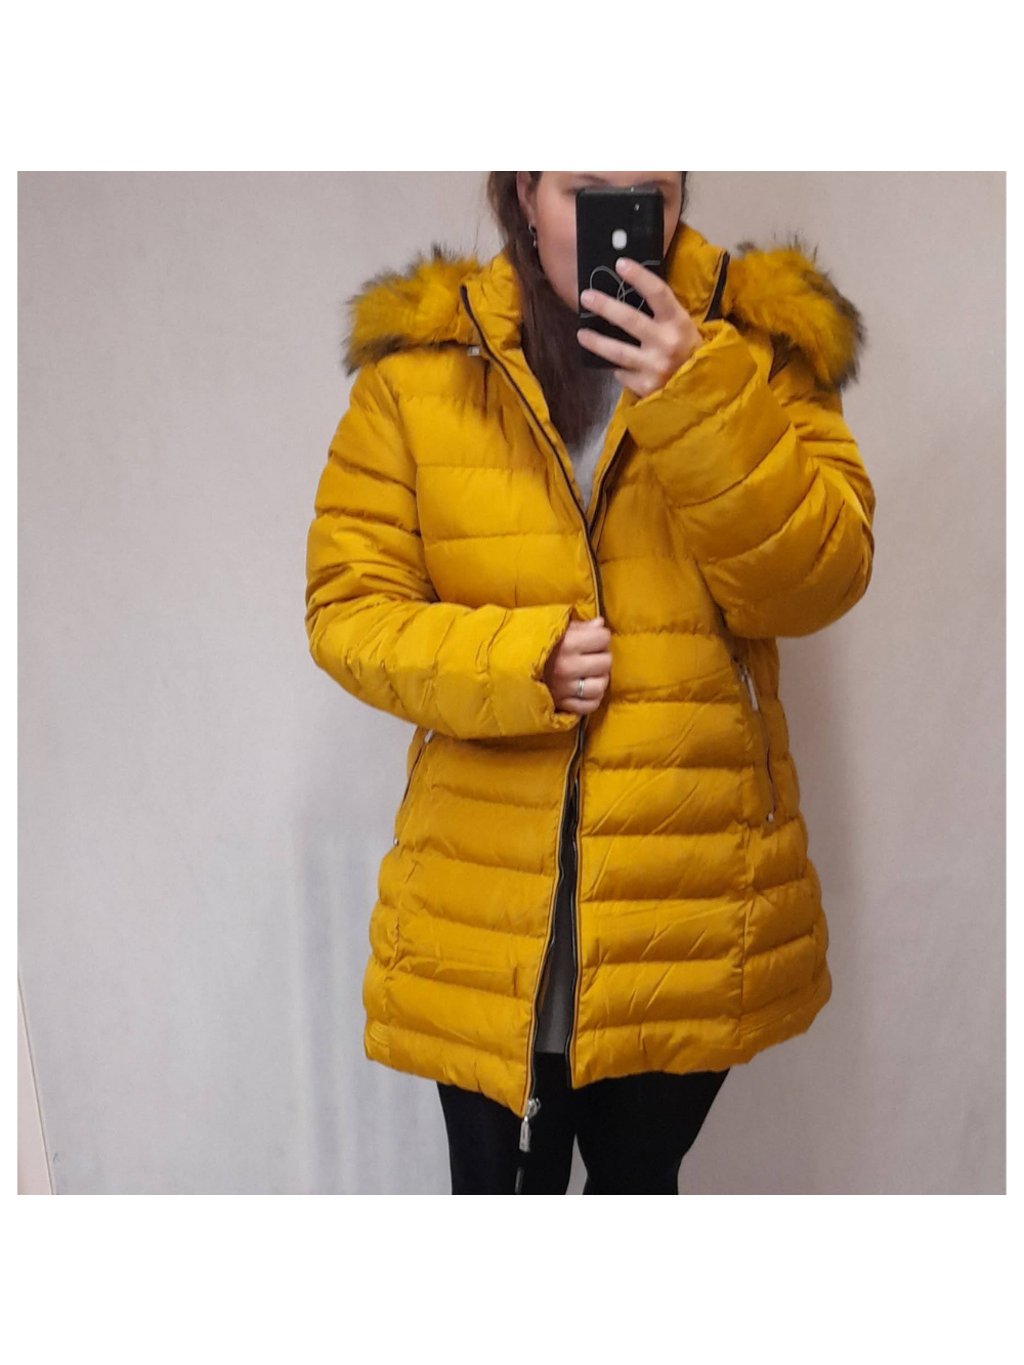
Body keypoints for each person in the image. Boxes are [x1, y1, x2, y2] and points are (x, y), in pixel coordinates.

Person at [304, 171, 876, 1194]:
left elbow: (817, 580)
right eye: (585, 192)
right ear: (523, 193)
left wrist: (700, 396)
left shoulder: (761, 346)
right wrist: (519, 661)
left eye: (651, 193)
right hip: (486, 899)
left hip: (685, 890)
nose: (623, 223)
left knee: (635, 1194)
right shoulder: (423, 366)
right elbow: (348, 611)